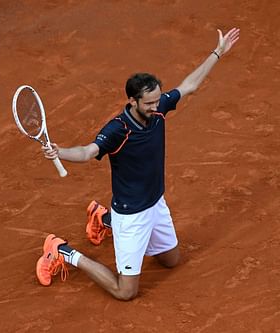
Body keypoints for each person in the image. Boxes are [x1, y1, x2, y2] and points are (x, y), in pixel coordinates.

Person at [36, 27, 240, 301]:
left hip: (156, 204)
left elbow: (189, 86)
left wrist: (218, 52)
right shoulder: (117, 130)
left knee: (170, 261)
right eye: (149, 103)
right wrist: (60, 152)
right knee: (126, 292)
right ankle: (63, 251)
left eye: (158, 99)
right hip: (131, 215)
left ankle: (103, 219)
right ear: (132, 101)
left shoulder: (158, 110)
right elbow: (87, 152)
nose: (157, 107)